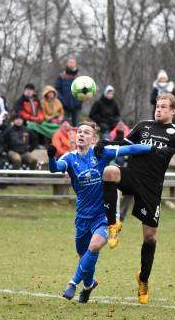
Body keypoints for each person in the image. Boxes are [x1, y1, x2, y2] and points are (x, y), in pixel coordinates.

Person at [101, 93, 175, 304]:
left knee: (150, 236)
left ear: (173, 111)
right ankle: (113, 223)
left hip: (152, 186)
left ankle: (143, 279)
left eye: (163, 107)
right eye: (157, 106)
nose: (159, 109)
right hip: (132, 174)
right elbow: (122, 144)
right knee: (109, 171)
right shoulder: (143, 126)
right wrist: (106, 143)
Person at [48, 121, 155, 303]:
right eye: (79, 132)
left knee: (95, 245)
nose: (81, 135)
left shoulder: (101, 153)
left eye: (86, 132)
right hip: (83, 216)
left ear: (93, 139)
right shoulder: (69, 158)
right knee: (84, 256)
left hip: (105, 215)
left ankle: (73, 283)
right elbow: (54, 168)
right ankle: (89, 285)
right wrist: (51, 157)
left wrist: (152, 148)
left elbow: (129, 150)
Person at [55, 57, 82, 126]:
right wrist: (61, 100)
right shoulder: (61, 76)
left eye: (73, 62)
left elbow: (83, 90)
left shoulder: (79, 77)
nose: (71, 64)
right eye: (70, 62)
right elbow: (57, 89)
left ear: (75, 64)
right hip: (64, 105)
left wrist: (80, 101)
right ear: (67, 64)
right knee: (65, 125)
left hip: (77, 105)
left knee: (76, 124)